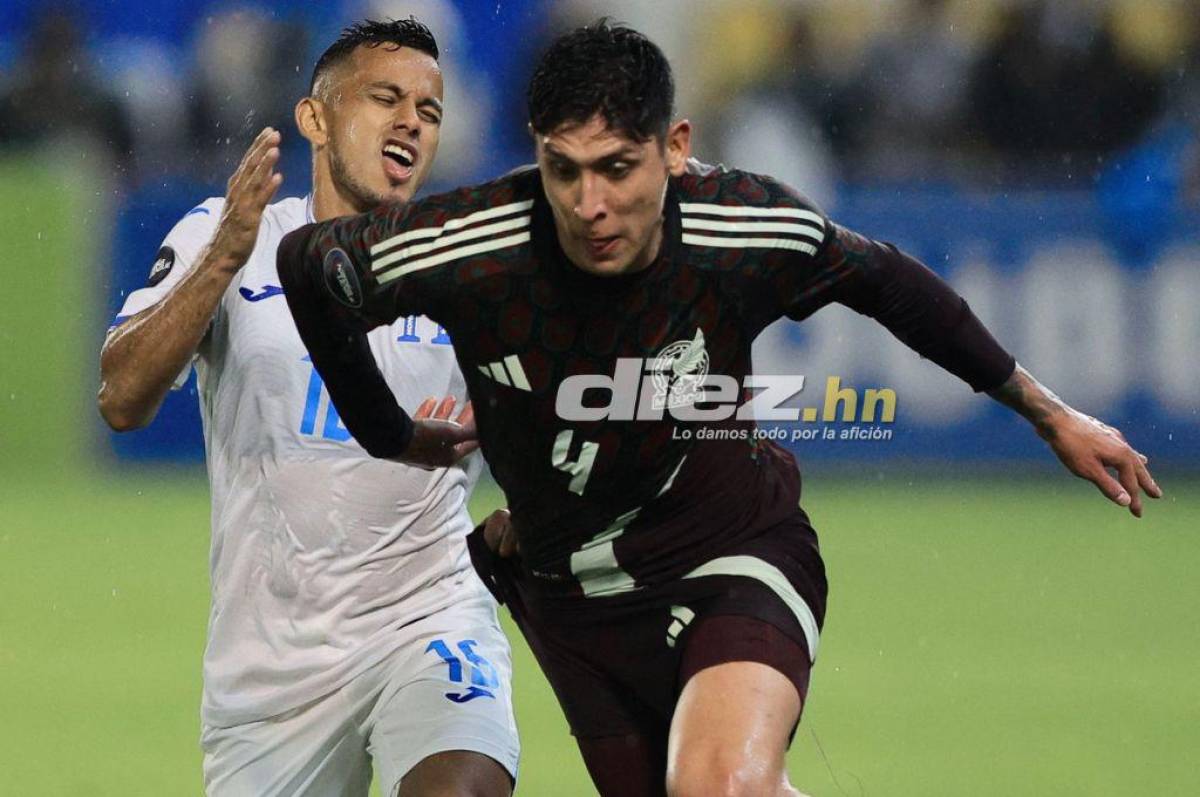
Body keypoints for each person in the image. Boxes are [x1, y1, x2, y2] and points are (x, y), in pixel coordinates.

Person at [275, 21, 1161, 797]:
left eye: (618, 168)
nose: (590, 205)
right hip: (574, 597)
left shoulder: (742, 226)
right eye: (564, 170)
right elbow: (310, 267)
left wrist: (1047, 412)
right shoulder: (477, 243)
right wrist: (390, 433)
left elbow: (887, 281)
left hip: (730, 544)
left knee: (717, 784)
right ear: (535, 151)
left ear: (674, 146)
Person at [97, 19, 517, 797]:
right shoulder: (234, 237)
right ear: (314, 119)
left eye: (429, 111)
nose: (409, 123)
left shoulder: (469, 266)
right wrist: (224, 254)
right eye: (385, 98)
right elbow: (121, 398)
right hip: (269, 676)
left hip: (426, 618)